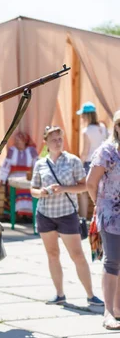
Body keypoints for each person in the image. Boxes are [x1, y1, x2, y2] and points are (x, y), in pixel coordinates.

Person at [30, 126, 103, 308]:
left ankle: (91, 295)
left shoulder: (73, 161)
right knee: (52, 254)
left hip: (67, 214)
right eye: (53, 139)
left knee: (77, 255)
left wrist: (64, 189)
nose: (57, 142)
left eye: (60, 139)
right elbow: (33, 190)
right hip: (45, 214)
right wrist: (42, 192)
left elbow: (84, 186)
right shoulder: (40, 163)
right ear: (45, 143)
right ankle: (59, 294)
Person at [86, 110, 120, 330]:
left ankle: (118, 308)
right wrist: (99, 205)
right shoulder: (107, 151)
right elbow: (91, 182)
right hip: (111, 214)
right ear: (117, 127)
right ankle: (108, 312)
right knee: (113, 260)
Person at [0, 130, 38, 219]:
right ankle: (15, 215)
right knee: (12, 189)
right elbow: (6, 165)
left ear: (25, 141)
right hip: (13, 177)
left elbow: (37, 164)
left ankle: (29, 216)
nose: (17, 142)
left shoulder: (32, 150)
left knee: (30, 190)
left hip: (28, 177)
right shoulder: (12, 150)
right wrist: (1, 180)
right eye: (16, 140)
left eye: (19, 140)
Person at [78, 102, 108, 219]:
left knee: (84, 192)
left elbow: (85, 151)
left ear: (86, 115)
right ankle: (100, 217)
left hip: (89, 163)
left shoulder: (86, 131)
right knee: (102, 192)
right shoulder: (103, 128)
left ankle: (84, 219)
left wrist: (79, 165)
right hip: (103, 163)